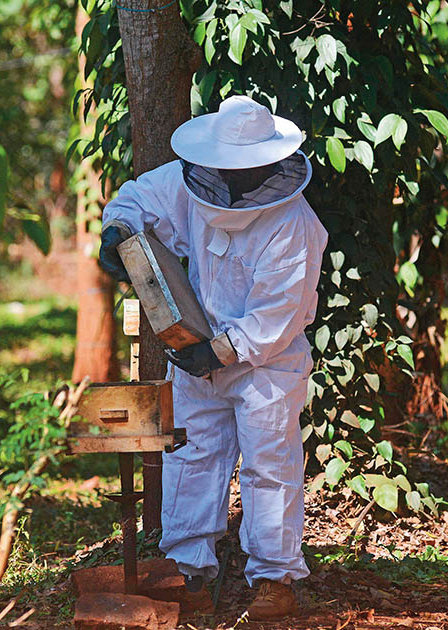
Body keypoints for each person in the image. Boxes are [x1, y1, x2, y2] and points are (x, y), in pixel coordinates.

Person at [98, 95, 328, 620]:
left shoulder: (294, 224)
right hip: (197, 346)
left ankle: (274, 578)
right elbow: (137, 197)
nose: (232, 176)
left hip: (266, 364)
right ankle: (188, 569)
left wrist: (217, 351)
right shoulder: (189, 182)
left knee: (270, 464)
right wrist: (119, 233)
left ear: (269, 162)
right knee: (191, 456)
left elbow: (278, 315)